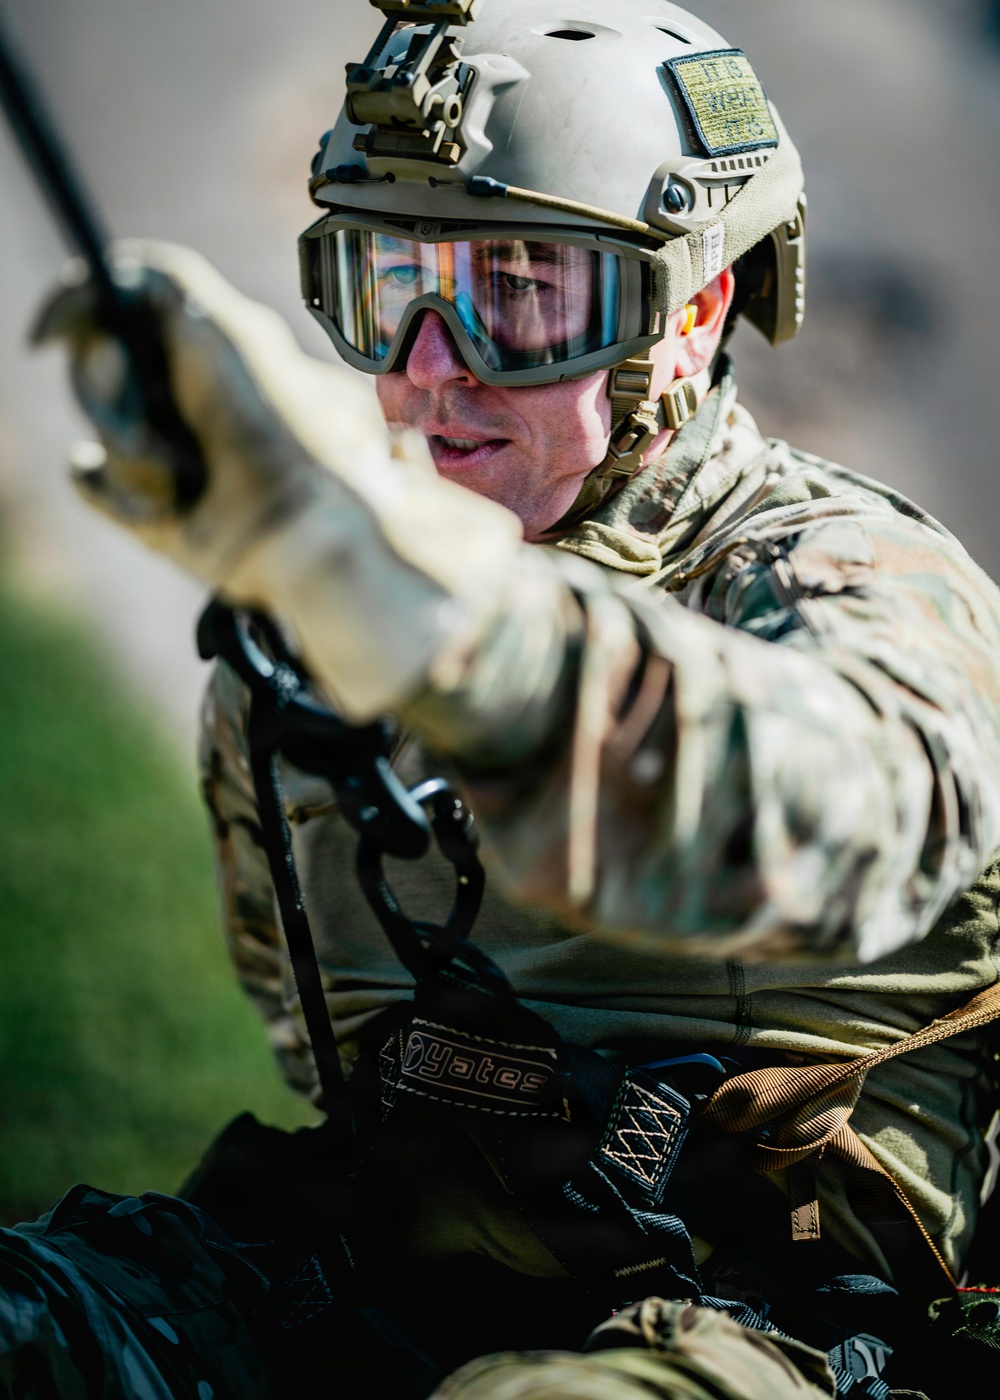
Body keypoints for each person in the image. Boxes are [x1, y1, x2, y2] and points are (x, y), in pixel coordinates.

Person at [7, 1, 1000, 1396]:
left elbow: (823, 824)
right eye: (390, 282)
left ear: (692, 309)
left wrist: (432, 620)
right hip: (358, 1281)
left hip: (766, 1334)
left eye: (523, 292)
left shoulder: (857, 581)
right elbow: (319, 1045)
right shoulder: (304, 637)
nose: (429, 368)